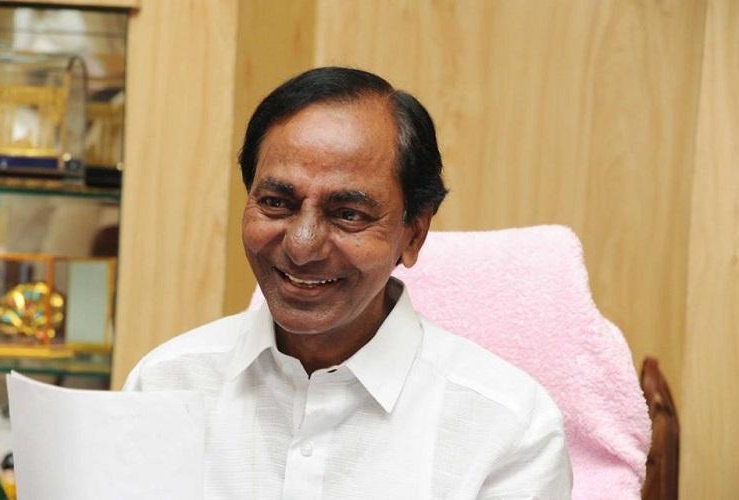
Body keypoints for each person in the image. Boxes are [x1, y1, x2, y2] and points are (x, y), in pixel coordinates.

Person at [124, 67, 572, 499]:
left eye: (348, 214)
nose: (302, 246)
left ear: (413, 233)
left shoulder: (508, 428)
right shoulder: (166, 384)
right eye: (276, 203)